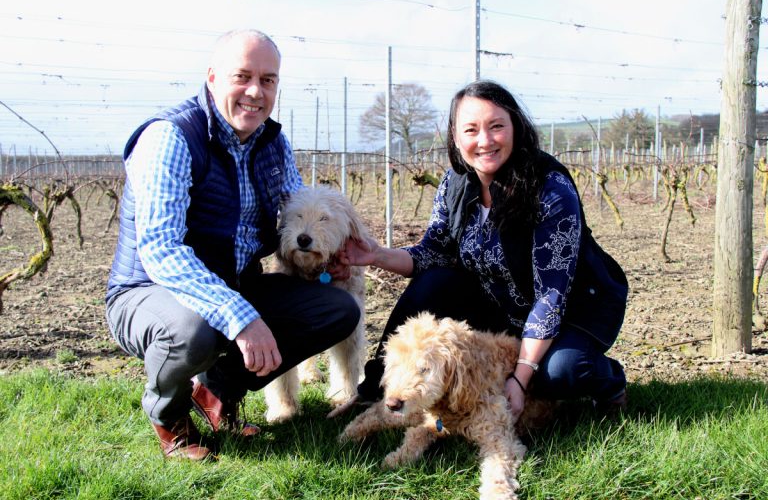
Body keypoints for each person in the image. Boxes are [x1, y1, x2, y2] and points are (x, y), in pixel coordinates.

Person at [105, 29, 360, 460]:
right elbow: (162, 250)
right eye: (242, 77)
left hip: (235, 282)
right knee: (197, 329)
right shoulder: (171, 138)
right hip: (150, 290)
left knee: (338, 309)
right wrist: (242, 318)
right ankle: (169, 415)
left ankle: (217, 392)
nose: (255, 92)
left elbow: (297, 210)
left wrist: (334, 255)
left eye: (268, 80)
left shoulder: (272, 143)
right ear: (212, 78)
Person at [336, 79, 629, 421]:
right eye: (471, 130)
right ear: (455, 137)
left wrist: (519, 379)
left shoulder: (549, 188)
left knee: (559, 372)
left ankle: (609, 382)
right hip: (504, 306)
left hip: (574, 309)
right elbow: (433, 252)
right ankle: (375, 388)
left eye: (496, 126)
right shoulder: (455, 183)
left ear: (515, 127)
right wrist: (376, 255)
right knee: (434, 282)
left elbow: (551, 297)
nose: (485, 140)